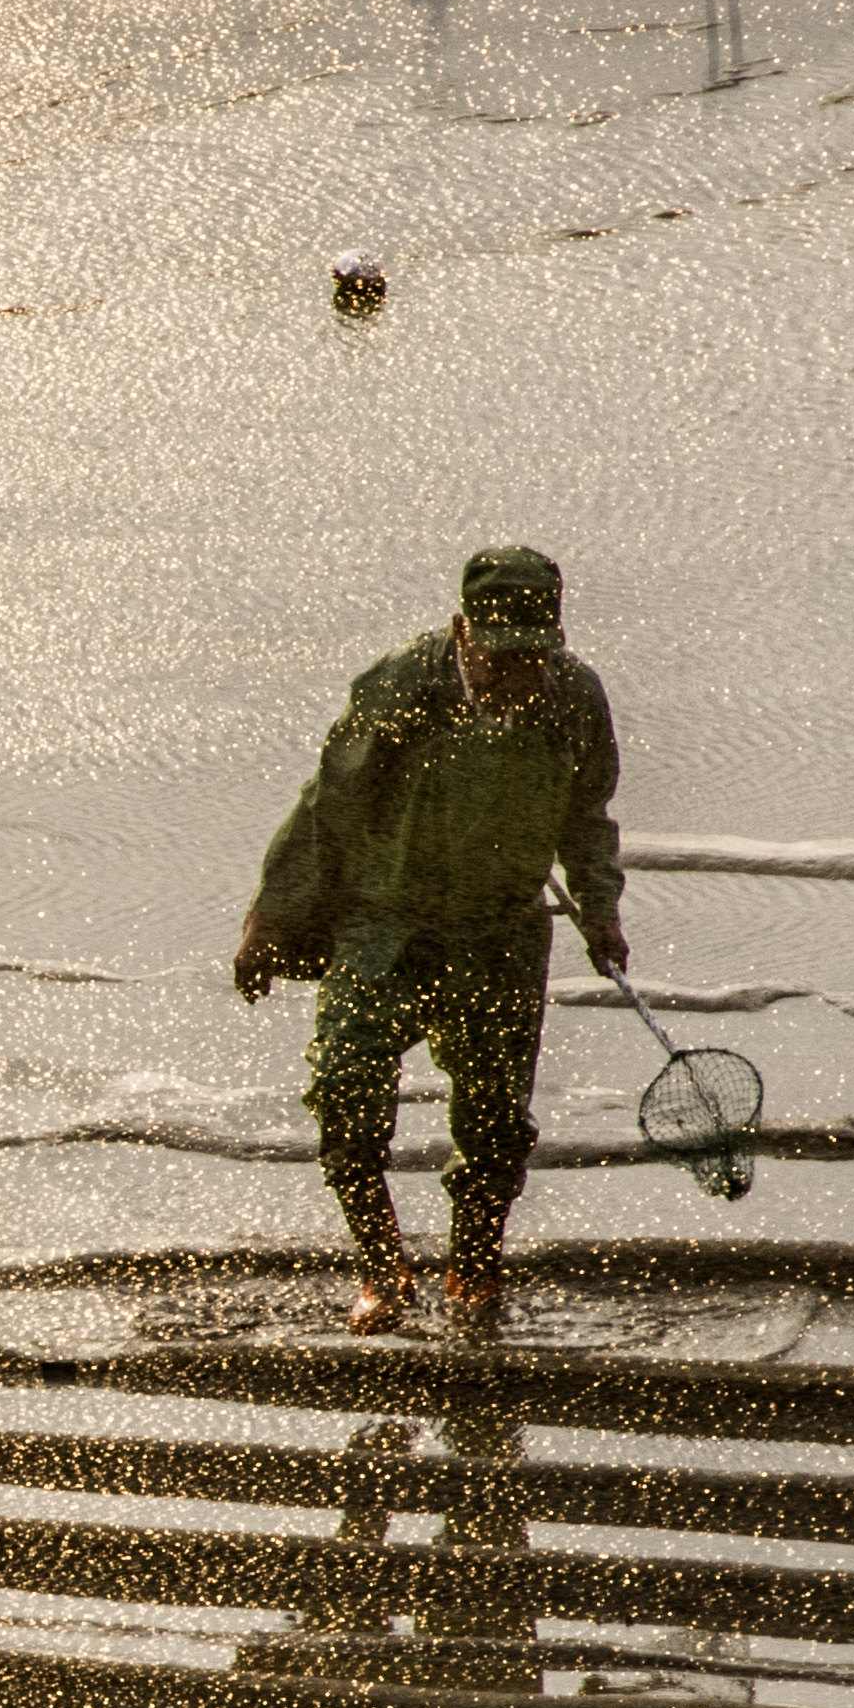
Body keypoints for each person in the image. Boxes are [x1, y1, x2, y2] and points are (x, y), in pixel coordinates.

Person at [233, 545, 632, 1337]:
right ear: (462, 631)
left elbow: (587, 817)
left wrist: (599, 907)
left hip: (500, 933)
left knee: (493, 1125)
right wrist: (271, 918)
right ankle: (383, 1274)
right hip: (385, 926)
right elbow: (330, 805)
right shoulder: (403, 686)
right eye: (498, 656)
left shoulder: (573, 698)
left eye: (531, 657)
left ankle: (473, 1269)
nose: (514, 674)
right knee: (345, 1094)